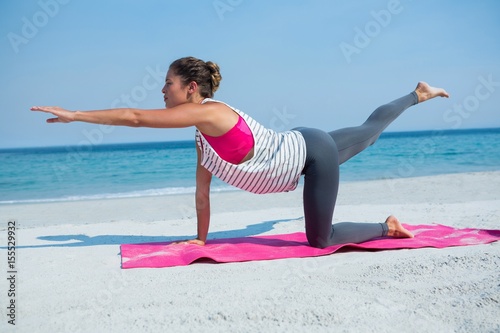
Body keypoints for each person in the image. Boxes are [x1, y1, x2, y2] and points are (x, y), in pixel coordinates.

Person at [31, 56, 449, 248]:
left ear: (191, 89)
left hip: (309, 154)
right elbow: (201, 194)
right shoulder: (200, 134)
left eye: (168, 83)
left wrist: (76, 114)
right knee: (368, 131)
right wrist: (200, 238)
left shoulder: (210, 114)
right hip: (299, 143)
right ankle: (418, 93)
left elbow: (136, 118)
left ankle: (386, 226)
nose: (162, 90)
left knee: (321, 241)